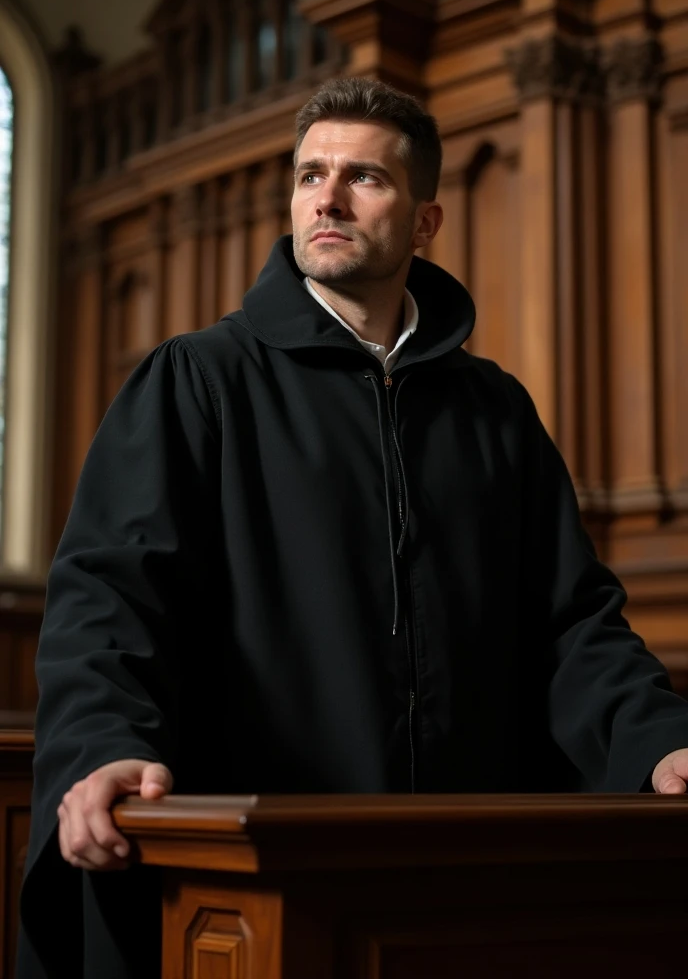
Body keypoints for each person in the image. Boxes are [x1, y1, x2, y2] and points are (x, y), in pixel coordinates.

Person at [18, 76, 688, 978]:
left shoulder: (494, 411)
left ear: (424, 223)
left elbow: (572, 621)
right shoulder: (198, 381)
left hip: (461, 873)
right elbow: (109, 599)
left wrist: (657, 741)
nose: (326, 198)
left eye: (363, 178)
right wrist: (104, 746)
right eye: (308, 175)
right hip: (265, 871)